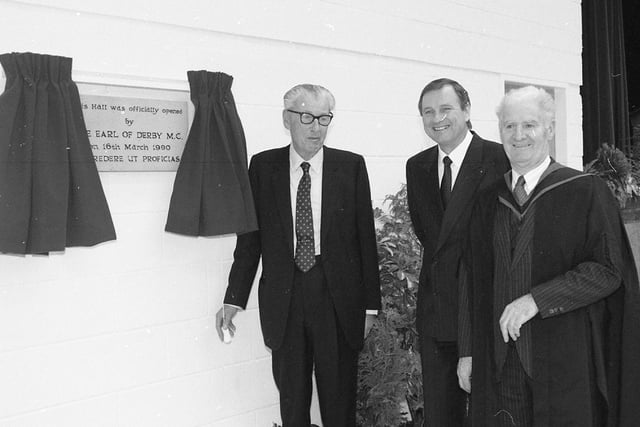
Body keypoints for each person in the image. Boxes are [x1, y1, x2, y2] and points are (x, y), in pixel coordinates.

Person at [458, 85, 640, 426]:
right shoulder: (487, 199)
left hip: (563, 357)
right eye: (509, 126)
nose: (518, 135)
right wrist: (467, 352)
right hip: (500, 363)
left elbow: (608, 269)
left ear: (550, 130)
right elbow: (472, 277)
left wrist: (536, 300)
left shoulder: (585, 191)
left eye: (529, 125)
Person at [215, 84, 381, 426]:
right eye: (306, 117)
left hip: (336, 298)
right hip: (285, 297)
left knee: (339, 403)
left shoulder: (349, 166)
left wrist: (370, 306)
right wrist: (234, 298)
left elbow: (366, 239)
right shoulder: (263, 167)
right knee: (292, 403)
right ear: (287, 119)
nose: (316, 127)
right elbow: (250, 241)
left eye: (323, 118)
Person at [406, 78, 509, 426]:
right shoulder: (416, 166)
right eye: (428, 111)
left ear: (466, 110)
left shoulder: (500, 158)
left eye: (446, 108)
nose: (438, 118)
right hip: (437, 315)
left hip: (486, 311)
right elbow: (428, 236)